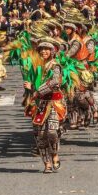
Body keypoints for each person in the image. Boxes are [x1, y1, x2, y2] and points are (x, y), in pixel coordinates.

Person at [25, 37, 65, 173]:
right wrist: (29, 89)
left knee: (52, 132)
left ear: (52, 51)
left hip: (53, 103)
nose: (43, 51)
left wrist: (37, 91)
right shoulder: (36, 67)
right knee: (40, 135)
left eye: (46, 49)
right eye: (41, 49)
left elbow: (54, 82)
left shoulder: (55, 66)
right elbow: (30, 83)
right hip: (40, 104)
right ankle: (47, 163)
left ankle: (54, 153)